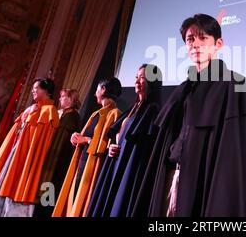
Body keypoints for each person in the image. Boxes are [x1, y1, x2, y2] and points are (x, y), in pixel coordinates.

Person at [135, 14, 246, 217]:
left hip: (207, 184)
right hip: (175, 178)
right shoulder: (184, 89)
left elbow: (237, 155)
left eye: (203, 37)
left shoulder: (235, 86)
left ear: (218, 44)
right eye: (190, 39)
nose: (196, 44)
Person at [87, 64, 162, 217]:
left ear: (152, 82)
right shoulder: (134, 107)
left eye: (142, 78)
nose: (137, 81)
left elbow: (144, 145)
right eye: (136, 77)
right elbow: (118, 132)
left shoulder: (152, 109)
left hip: (130, 166)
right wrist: (113, 145)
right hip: (117, 162)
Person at [0, 78, 59, 217]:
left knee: (18, 189)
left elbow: (39, 142)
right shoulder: (33, 108)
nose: (33, 90)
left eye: (36, 88)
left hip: (27, 158)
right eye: (33, 88)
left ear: (46, 91)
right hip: (16, 154)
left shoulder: (49, 111)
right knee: (4, 185)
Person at [52, 77, 122, 217]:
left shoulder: (115, 114)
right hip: (82, 163)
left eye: (97, 88)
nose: (95, 92)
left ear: (103, 90)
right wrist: (77, 138)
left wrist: (86, 139)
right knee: (73, 199)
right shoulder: (96, 113)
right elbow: (85, 138)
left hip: (94, 166)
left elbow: (108, 146)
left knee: (83, 203)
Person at [39, 89, 81, 204]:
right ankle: (43, 203)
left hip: (59, 155)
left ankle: (46, 205)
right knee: (47, 179)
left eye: (62, 96)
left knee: (52, 179)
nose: (60, 99)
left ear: (71, 99)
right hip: (54, 152)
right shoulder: (64, 113)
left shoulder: (72, 116)